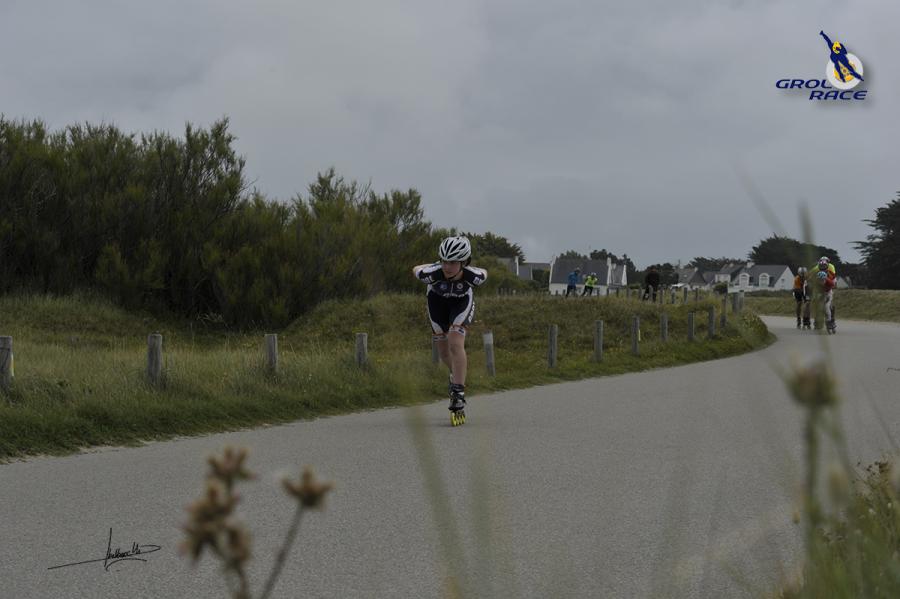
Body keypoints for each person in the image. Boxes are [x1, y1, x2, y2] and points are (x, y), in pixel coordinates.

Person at [412, 236, 488, 420]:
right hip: (436, 303)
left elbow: (484, 272)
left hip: (461, 303)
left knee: (455, 341)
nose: (447, 267)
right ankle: (456, 375)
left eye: (453, 262)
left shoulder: (473, 277)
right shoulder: (431, 273)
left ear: (464, 262)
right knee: (444, 352)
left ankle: (458, 392)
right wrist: (432, 265)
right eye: (444, 261)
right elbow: (416, 269)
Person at [810, 257, 837, 332]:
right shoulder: (815, 271)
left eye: (824, 267)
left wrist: (831, 284)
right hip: (819, 291)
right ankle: (817, 320)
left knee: (830, 306)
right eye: (821, 267)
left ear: (828, 265)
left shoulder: (831, 270)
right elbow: (810, 281)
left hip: (828, 290)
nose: (822, 268)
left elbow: (834, 283)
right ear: (818, 266)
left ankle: (832, 320)